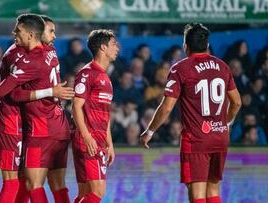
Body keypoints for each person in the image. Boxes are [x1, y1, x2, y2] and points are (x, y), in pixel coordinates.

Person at [140, 23, 241, 203]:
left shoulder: (181, 68)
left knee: (197, 193)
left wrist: (149, 131)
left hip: (197, 139)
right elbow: (237, 102)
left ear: (185, 45)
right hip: (220, 136)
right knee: (213, 190)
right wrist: (225, 124)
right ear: (207, 45)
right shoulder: (223, 66)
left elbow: (167, 107)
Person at [0, 14, 73, 203]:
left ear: (31, 33)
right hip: (51, 125)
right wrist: (51, 91)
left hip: (37, 128)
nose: (53, 36)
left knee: (28, 183)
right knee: (53, 184)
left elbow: (7, 93)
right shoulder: (49, 52)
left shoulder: (29, 59)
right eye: (51, 31)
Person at [72, 29, 119, 203]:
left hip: (97, 139)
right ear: (103, 48)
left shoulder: (105, 77)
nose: (117, 48)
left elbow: (104, 115)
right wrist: (87, 136)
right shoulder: (87, 73)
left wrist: (110, 143)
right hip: (88, 140)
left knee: (85, 193)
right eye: (114, 44)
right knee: (97, 192)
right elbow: (76, 107)